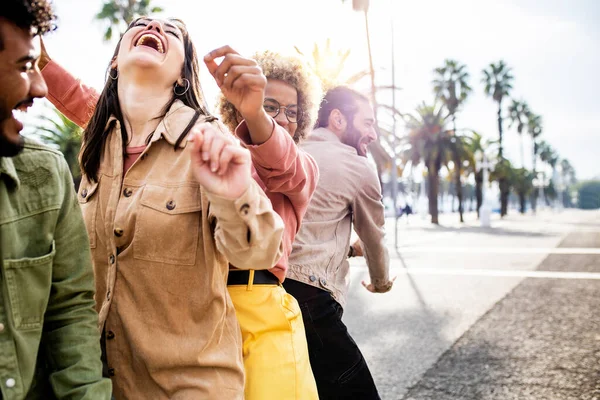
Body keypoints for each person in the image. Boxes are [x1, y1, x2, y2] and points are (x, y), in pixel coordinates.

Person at [39, 17, 284, 399]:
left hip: (189, 388)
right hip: (97, 386)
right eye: (140, 24)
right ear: (116, 61)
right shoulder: (99, 140)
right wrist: (35, 57)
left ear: (183, 76)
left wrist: (234, 193)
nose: (153, 24)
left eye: (171, 31)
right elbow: (75, 94)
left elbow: (258, 252)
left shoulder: (207, 140)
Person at [0, 0, 112, 398]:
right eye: (24, 66)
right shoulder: (110, 127)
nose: (39, 88)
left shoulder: (45, 175)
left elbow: (68, 310)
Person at [208, 46, 321, 399]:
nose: (284, 119)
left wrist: (258, 114)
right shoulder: (212, 150)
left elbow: (281, 161)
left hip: (261, 308)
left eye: (293, 111)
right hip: (202, 305)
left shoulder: (303, 166)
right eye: (272, 106)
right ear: (234, 106)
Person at [283, 86, 395, 400]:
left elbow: (304, 227)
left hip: (271, 290)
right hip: (311, 297)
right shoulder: (357, 167)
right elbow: (375, 236)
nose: (373, 134)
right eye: (368, 122)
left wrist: (347, 248)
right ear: (338, 119)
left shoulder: (290, 148)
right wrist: (381, 282)